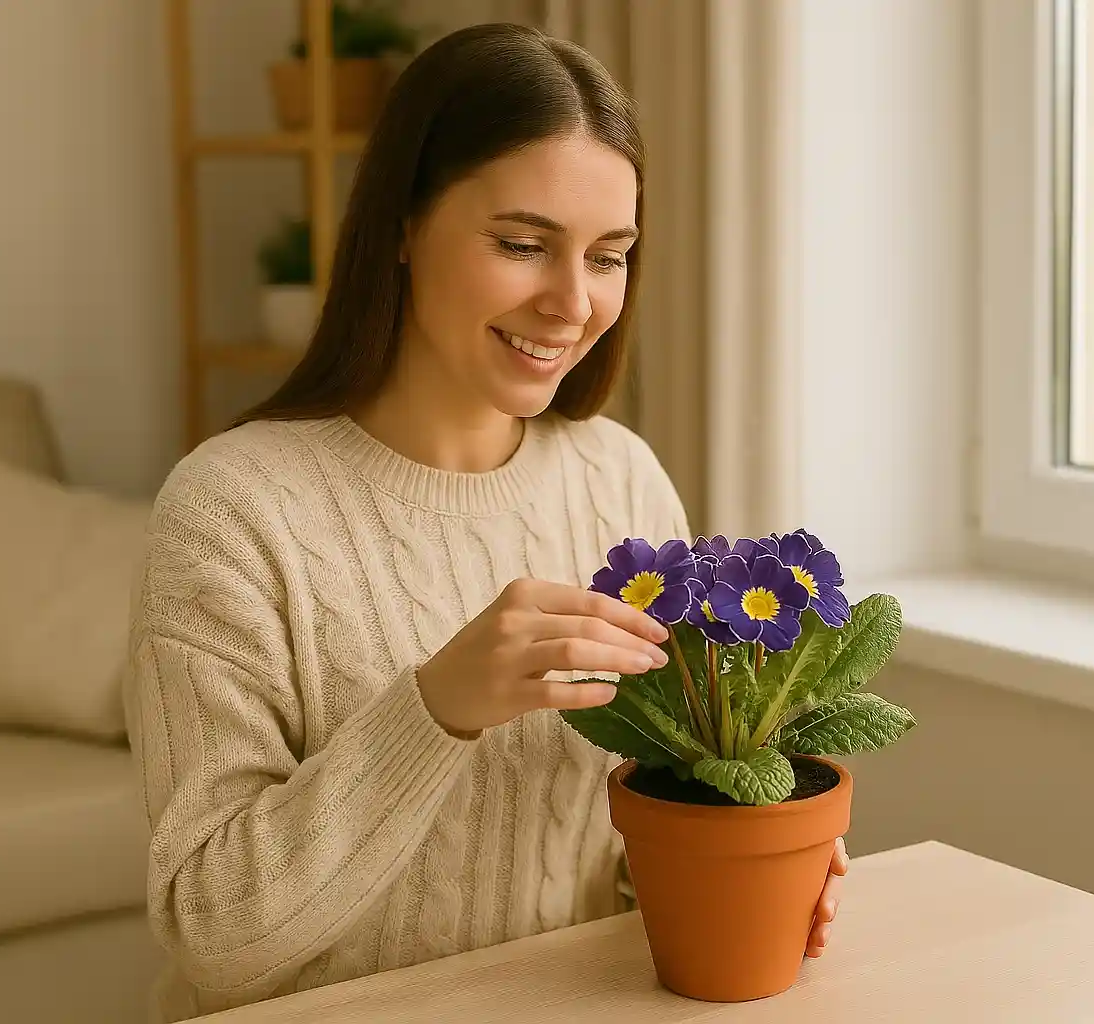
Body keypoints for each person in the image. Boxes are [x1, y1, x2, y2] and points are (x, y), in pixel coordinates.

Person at [124, 22, 847, 1021]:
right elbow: (213, 933)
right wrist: (436, 708)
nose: (572, 302)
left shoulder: (620, 481)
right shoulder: (232, 511)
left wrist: (750, 851)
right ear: (403, 228)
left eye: (609, 255)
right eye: (521, 244)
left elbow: (633, 841)